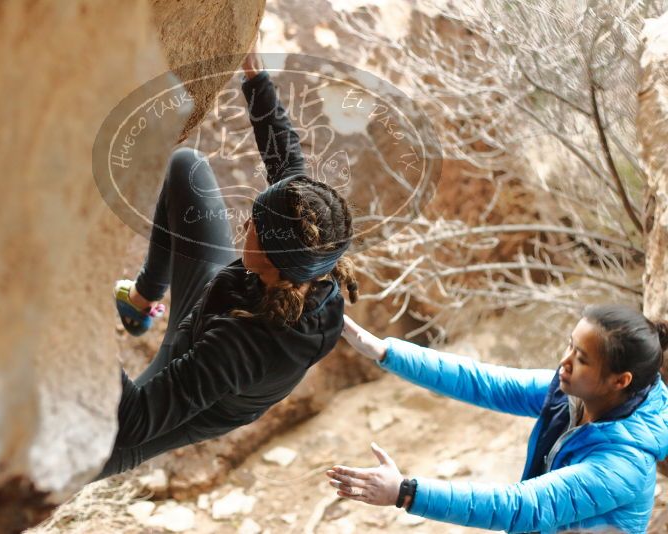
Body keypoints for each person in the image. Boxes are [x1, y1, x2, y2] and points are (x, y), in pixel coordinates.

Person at [96, 42, 358, 479]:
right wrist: (254, 75)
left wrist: (82, 320)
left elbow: (137, 418)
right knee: (186, 168)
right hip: (217, 300)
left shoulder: (241, 347)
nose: (245, 225)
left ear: (272, 260)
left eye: (254, 223)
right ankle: (142, 301)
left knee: (114, 442)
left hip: (208, 361)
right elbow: (287, 164)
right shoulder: (310, 254)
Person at [326, 305, 668, 533]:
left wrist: (405, 493)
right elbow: (483, 382)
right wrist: (384, 352)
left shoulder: (622, 464)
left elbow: (524, 507)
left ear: (619, 380)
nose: (564, 362)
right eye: (569, 346)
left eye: (581, 358)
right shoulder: (578, 395)